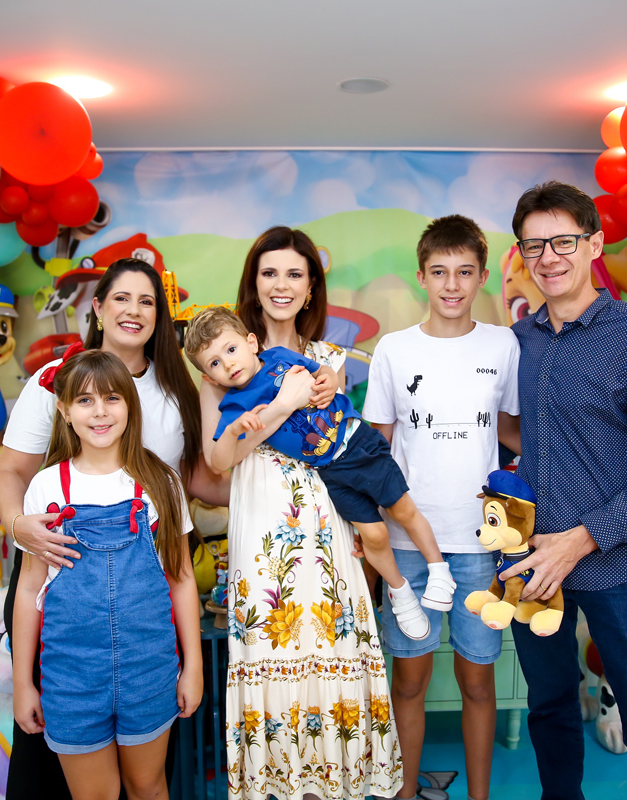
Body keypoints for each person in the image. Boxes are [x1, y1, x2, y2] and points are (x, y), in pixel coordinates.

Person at [500, 181, 627, 800]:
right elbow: (516, 436)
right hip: (532, 566)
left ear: (593, 245)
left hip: (621, 566)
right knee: (550, 710)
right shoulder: (518, 343)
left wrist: (583, 539)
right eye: (534, 246)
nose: (548, 258)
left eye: (563, 241)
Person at [0, 257, 225, 799]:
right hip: (63, 606)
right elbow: (9, 471)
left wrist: (283, 492)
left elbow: (197, 480)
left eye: (147, 301)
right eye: (121, 298)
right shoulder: (54, 382)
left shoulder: (174, 392)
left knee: (149, 779)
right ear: (97, 307)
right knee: (55, 768)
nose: (133, 310)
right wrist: (19, 525)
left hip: (147, 630)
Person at [198, 226, 401, 800]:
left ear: (311, 287)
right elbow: (218, 459)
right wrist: (284, 402)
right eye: (269, 273)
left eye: (294, 273)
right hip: (264, 534)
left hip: (328, 525)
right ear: (253, 283)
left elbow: (347, 447)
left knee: (332, 658)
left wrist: (362, 522)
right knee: (272, 653)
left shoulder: (329, 361)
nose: (281, 284)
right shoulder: (224, 359)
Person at [361, 214, 521, 800]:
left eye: (464, 272)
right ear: (422, 277)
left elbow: (511, 432)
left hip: (481, 542)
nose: (452, 285)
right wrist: (367, 528)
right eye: (439, 272)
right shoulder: (394, 350)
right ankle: (405, 791)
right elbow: (375, 450)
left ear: (482, 276)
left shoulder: (504, 345)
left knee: (478, 682)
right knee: (410, 681)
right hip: (408, 544)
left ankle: (478, 796)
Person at [185, 305, 454, 641]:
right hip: (330, 472)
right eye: (214, 363)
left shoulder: (280, 357)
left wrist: (328, 378)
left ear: (252, 343)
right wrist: (233, 431)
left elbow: (322, 370)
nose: (228, 364)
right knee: (374, 535)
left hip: (357, 443)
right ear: (210, 378)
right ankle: (400, 593)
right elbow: (219, 460)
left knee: (402, 509)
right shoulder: (234, 407)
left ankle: (438, 569)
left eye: (231, 349)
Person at [12, 349, 201, 800]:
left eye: (112, 398)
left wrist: (193, 666)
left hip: (149, 668)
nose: (100, 412)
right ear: (64, 411)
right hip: (71, 677)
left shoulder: (161, 482)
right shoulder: (46, 486)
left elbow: (181, 579)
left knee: (148, 787)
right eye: (85, 400)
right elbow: (29, 589)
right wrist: (21, 683)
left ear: (130, 405)